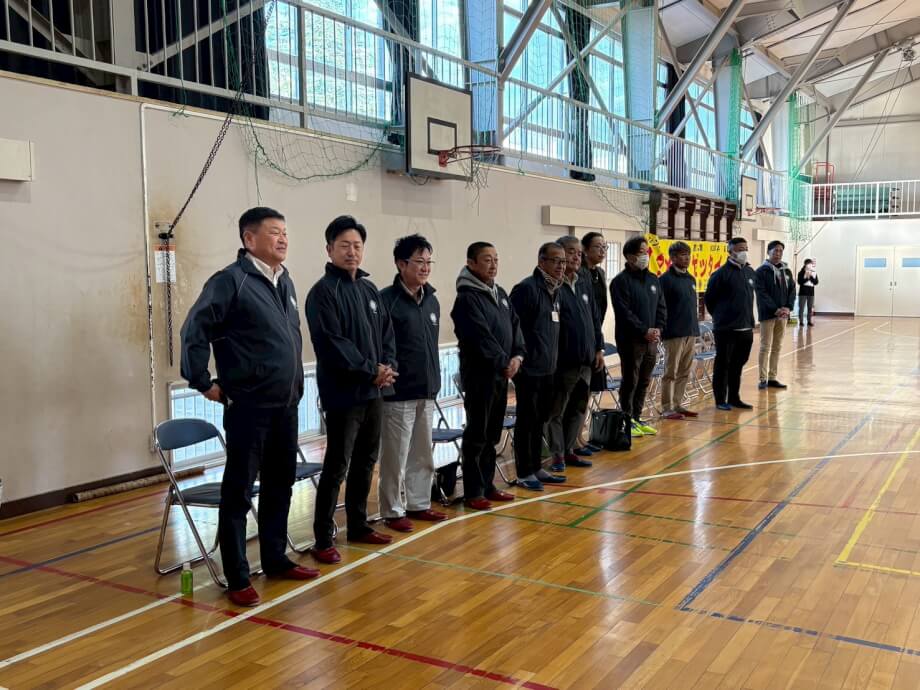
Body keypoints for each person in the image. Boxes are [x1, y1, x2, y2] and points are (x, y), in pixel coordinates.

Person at [180, 207, 319, 608]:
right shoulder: (231, 281)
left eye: (285, 232)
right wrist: (202, 381)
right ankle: (238, 575)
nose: (283, 239)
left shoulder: (284, 280)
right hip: (248, 406)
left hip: (286, 404)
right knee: (239, 491)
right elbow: (194, 329)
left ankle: (275, 558)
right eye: (274, 232)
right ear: (249, 239)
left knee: (280, 485)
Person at [306, 215, 398, 565]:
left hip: (375, 392)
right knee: (337, 465)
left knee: (366, 461)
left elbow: (387, 334)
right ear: (329, 249)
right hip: (344, 394)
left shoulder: (370, 290)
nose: (351, 251)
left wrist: (387, 367)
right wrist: (370, 370)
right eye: (344, 245)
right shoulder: (322, 293)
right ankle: (322, 538)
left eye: (357, 245)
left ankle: (358, 525)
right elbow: (332, 344)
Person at [377, 235, 448, 532]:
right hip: (399, 392)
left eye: (428, 261)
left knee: (422, 453)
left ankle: (419, 503)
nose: (425, 267)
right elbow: (381, 345)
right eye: (419, 261)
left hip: (427, 389)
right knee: (395, 456)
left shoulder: (432, 300)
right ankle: (393, 510)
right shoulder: (386, 300)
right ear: (401, 264)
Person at [451, 242, 525, 510]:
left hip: (501, 375)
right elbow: (480, 336)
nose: (493, 265)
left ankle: (487, 484)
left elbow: (515, 326)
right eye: (486, 260)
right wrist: (503, 362)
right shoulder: (466, 298)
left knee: (492, 434)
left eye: (496, 259)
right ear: (471, 263)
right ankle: (473, 491)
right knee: (477, 434)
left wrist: (517, 356)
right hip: (480, 376)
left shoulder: (500, 293)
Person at [509, 243, 567, 491]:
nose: (561, 266)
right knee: (527, 420)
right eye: (556, 261)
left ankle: (535, 467)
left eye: (563, 261)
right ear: (541, 262)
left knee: (539, 420)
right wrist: (520, 359)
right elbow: (514, 328)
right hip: (529, 368)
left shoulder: (555, 290)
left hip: (548, 368)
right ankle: (524, 472)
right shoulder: (527, 289)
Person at [547, 236, 605, 471]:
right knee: (557, 410)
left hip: (586, 359)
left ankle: (570, 449)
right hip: (564, 361)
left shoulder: (583, 282)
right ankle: (557, 454)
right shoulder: (553, 286)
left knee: (578, 408)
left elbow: (594, 317)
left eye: (579, 253)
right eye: (571, 252)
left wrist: (599, 348)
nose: (576, 257)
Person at [610, 236, 667, 437]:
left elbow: (661, 306)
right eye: (642, 252)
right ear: (630, 256)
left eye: (647, 252)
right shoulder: (620, 282)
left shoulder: (653, 279)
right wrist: (644, 330)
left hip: (651, 341)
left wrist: (658, 328)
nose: (646, 255)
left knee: (644, 380)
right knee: (630, 381)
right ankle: (627, 421)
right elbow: (623, 313)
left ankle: (637, 417)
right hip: (631, 340)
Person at [704, 236, 757, 410]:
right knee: (723, 365)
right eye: (740, 249)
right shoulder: (720, 274)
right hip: (726, 329)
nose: (744, 252)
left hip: (746, 327)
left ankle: (734, 397)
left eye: (745, 249)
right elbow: (710, 300)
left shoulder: (750, 272)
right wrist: (722, 317)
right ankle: (720, 400)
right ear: (731, 251)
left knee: (738, 364)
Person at [659, 241, 700, 420]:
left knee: (684, 371)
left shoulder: (691, 279)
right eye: (683, 255)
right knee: (670, 372)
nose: (687, 258)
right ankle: (666, 407)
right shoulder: (665, 280)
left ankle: (677, 404)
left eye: (688, 254)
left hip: (690, 331)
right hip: (673, 333)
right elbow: (660, 307)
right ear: (673, 257)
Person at [578, 231, 610, 454]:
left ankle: (580, 435)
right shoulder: (579, 274)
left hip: (594, 336)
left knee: (588, 392)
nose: (602, 251)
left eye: (604, 247)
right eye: (598, 246)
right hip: (581, 341)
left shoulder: (599, 273)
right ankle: (573, 439)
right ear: (585, 249)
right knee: (578, 394)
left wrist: (599, 344)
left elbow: (599, 311)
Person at [755, 240, 796, 390]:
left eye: (780, 251)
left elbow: (792, 290)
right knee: (765, 346)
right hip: (768, 314)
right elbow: (761, 293)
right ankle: (762, 378)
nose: (778, 254)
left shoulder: (787, 271)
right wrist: (775, 309)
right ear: (769, 252)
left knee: (777, 346)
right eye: (775, 251)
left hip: (783, 315)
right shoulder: (761, 271)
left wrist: (788, 307)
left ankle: (772, 377)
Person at [797, 259, 819, 327]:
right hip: (803, 292)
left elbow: (816, 282)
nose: (810, 265)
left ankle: (809, 321)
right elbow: (799, 282)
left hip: (811, 292)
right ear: (805, 264)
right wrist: (807, 277)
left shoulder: (813, 272)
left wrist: (810, 277)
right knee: (801, 308)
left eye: (811, 264)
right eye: (808, 264)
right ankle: (801, 322)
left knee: (810, 308)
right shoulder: (801, 272)